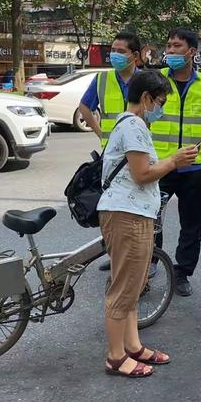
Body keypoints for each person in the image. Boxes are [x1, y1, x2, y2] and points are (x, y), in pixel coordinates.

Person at [98, 70, 198, 378]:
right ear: (145, 98)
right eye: (160, 101)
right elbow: (142, 174)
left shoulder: (129, 124)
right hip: (126, 215)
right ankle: (116, 357)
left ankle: (133, 346)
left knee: (132, 287)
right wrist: (174, 161)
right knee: (123, 289)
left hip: (132, 214)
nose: (162, 107)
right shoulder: (134, 125)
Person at [151, 27, 201, 297]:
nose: (169, 51)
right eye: (168, 45)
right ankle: (150, 263)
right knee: (150, 219)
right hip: (160, 166)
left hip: (194, 168)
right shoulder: (155, 80)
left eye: (176, 46)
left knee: (191, 223)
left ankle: (182, 272)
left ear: (192, 52)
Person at [78, 32, 142, 271]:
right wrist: (100, 133)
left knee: (141, 210)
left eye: (120, 51)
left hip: (138, 153)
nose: (114, 55)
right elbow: (85, 107)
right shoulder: (102, 80)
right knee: (113, 208)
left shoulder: (145, 80)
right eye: (112, 50)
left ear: (134, 56)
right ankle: (114, 253)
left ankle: (149, 258)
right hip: (113, 157)